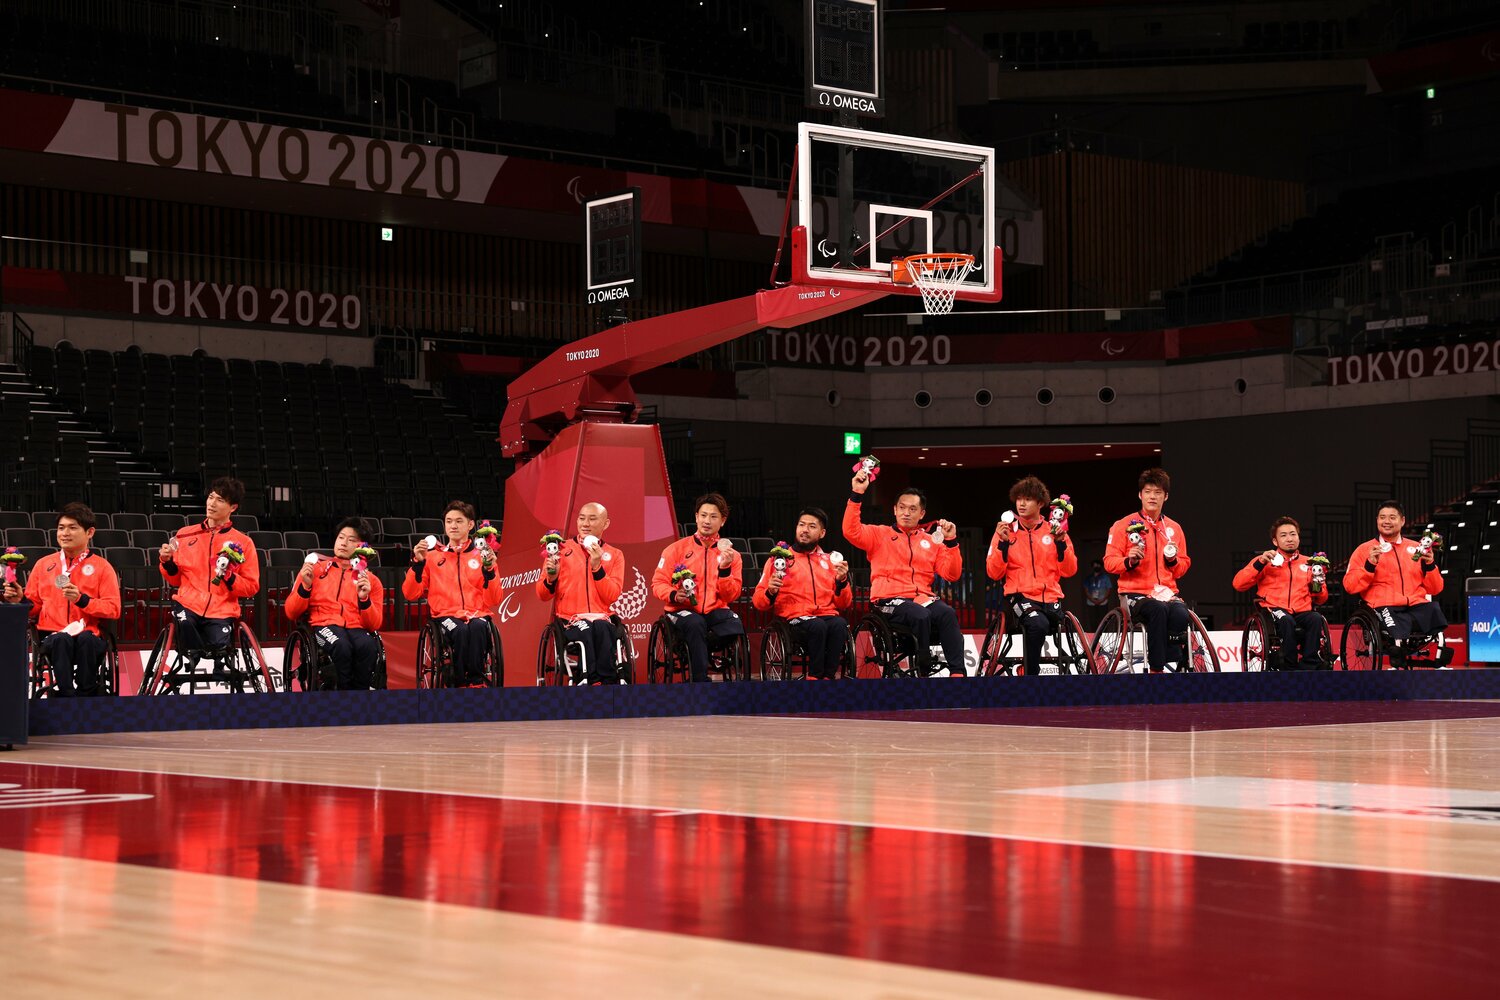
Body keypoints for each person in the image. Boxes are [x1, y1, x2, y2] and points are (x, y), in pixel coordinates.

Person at [843, 472, 965, 677]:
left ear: (922, 513)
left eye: (912, 509)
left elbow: (952, 574)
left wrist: (951, 542)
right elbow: (850, 531)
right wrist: (857, 494)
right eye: (902, 507)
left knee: (947, 613)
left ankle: (958, 674)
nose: (906, 513)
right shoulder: (879, 534)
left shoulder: (931, 542)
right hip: (888, 601)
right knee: (920, 614)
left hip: (922, 599)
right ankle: (923, 670)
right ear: (894, 510)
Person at [2, 502, 120, 696]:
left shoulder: (102, 567)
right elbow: (34, 607)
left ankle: (87, 693)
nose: (65, 533)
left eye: (73, 528)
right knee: (61, 640)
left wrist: (82, 600)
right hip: (52, 635)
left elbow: (113, 608)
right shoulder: (43, 565)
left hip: (89, 634)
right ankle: (66, 695)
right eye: (61, 528)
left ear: (90, 532)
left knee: (86, 640)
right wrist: (20, 600)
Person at [402, 500, 501, 686]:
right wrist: (417, 562)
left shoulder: (483, 556)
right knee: (460, 630)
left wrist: (489, 571)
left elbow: (494, 599)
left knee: (479, 627)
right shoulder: (432, 557)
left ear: (470, 524)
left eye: (459, 521)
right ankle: (459, 682)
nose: (453, 526)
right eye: (449, 521)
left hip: (477, 613)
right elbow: (410, 594)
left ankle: (476, 681)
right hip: (445, 615)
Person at [985, 476, 1077, 677]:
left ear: (1041, 503)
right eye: (1018, 499)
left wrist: (1061, 543)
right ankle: (1031, 678)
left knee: (1044, 621)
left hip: (1051, 598)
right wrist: (1002, 544)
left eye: (1027, 499)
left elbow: (1070, 570)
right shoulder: (1005, 531)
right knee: (1038, 624)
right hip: (1019, 598)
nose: (1022, 504)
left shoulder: (1054, 530)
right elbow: (993, 572)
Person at [1103, 468, 1191, 673]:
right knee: (1157, 610)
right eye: (1148, 491)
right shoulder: (1123, 525)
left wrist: (1172, 560)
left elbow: (1183, 567)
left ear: (1166, 496)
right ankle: (1157, 670)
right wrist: (1129, 561)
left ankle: (1173, 658)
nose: (1153, 496)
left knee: (1181, 613)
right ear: (1140, 495)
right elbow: (1109, 562)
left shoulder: (1174, 528)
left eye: (1158, 492)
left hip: (1167, 593)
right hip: (1134, 594)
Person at [158, 477, 259, 655]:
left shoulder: (244, 543)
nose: (212, 503)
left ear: (233, 507)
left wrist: (229, 576)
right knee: (186, 624)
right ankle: (194, 656)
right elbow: (174, 580)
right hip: (188, 604)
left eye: (220, 500)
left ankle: (208, 662)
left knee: (219, 649)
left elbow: (251, 587)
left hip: (222, 610)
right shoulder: (184, 535)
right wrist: (167, 562)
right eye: (211, 497)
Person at [651, 493, 745, 682]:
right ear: (696, 517)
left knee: (735, 624)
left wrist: (725, 570)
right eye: (703, 515)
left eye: (713, 516)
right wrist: (673, 594)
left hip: (714, 610)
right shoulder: (675, 549)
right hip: (682, 610)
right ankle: (700, 681)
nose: (707, 521)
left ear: (723, 521)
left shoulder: (732, 555)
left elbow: (731, 595)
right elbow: (657, 583)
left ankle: (704, 651)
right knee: (695, 623)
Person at [283, 517, 385, 689]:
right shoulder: (315, 570)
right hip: (323, 624)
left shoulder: (371, 581)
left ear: (362, 547)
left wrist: (364, 599)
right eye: (341, 537)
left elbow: (374, 624)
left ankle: (360, 697)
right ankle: (343, 697)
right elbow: (291, 612)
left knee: (368, 646)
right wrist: (305, 586)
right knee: (341, 646)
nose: (343, 543)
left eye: (351, 540)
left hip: (356, 628)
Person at [752, 507, 853, 680]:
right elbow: (758, 602)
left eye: (812, 526)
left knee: (839, 624)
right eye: (801, 525)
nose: (805, 530)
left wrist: (842, 581)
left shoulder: (830, 561)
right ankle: (814, 678)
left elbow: (844, 604)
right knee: (817, 626)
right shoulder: (779, 560)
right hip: (794, 619)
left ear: (822, 533)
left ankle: (828, 678)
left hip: (825, 615)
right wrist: (771, 591)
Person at [1343, 500, 1449, 663]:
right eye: (1382, 517)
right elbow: (1350, 586)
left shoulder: (1417, 549)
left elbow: (1435, 588)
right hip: (1383, 604)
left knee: (1433, 609)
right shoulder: (1364, 550)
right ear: (1377, 520)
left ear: (1403, 521)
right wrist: (1370, 564)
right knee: (1394, 619)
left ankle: (1439, 653)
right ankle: (1397, 648)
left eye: (1392, 517)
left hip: (1414, 604)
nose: (1386, 521)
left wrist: (1430, 564)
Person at [537, 501, 626, 684]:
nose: (585, 523)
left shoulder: (615, 555)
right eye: (581, 518)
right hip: (570, 619)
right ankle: (590, 681)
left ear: (605, 524)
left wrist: (597, 567)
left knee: (602, 628)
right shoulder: (560, 550)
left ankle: (608, 683)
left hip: (601, 617)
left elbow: (612, 595)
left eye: (592, 519)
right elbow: (542, 595)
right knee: (585, 629)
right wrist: (551, 578)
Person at [1232, 516, 1329, 670]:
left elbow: (1321, 600)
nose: (1289, 538)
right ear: (1275, 541)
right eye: (1283, 535)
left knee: (1316, 618)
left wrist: (1318, 585)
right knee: (1286, 620)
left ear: (1298, 537)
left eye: (1293, 534)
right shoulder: (1265, 560)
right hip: (1274, 609)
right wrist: (1260, 562)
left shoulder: (1310, 563)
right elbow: (1238, 584)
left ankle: (1309, 666)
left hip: (1301, 610)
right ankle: (1289, 666)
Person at [1082, 560, 1113, 631]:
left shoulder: (1105, 577)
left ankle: (1103, 633)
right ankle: (1093, 634)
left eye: (1098, 565)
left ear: (1101, 566)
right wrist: (1092, 599)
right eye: (1095, 565)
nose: (1097, 567)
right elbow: (1086, 590)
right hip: (1091, 602)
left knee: (1103, 619)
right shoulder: (1089, 578)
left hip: (1103, 601)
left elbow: (1109, 589)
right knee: (1092, 619)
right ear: (1092, 566)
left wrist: (1102, 599)